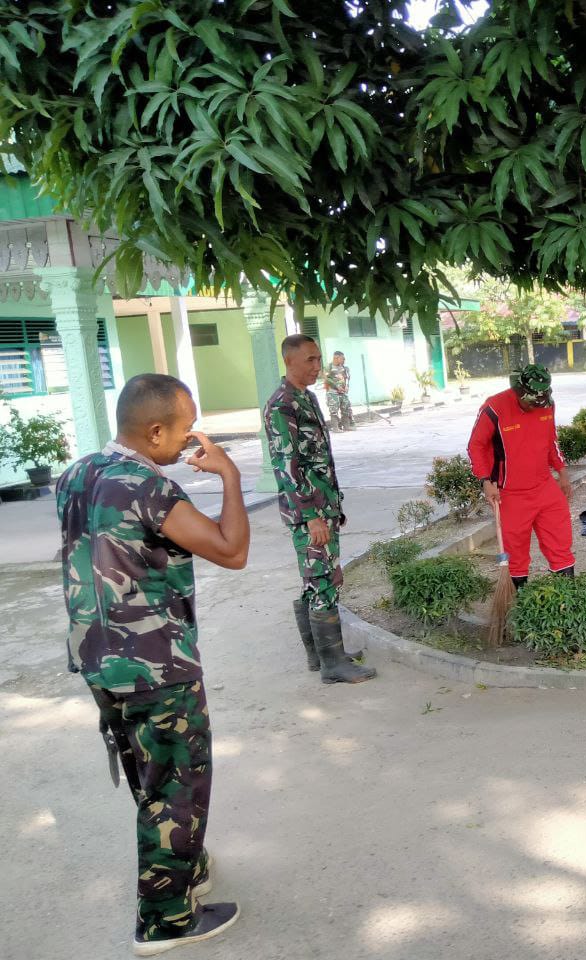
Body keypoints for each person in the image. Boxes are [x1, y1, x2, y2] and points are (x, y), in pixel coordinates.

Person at [56, 373, 250, 955]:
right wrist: (230, 477)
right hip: (155, 667)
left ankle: (183, 868)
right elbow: (232, 550)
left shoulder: (77, 475)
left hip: (97, 659)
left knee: (150, 778)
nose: (192, 439)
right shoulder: (147, 486)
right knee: (176, 785)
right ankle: (165, 920)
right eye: (186, 429)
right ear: (156, 429)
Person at [264, 334, 375, 683]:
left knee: (317, 580)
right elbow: (287, 465)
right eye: (310, 360)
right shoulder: (282, 405)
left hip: (323, 506)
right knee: (324, 580)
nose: (317, 366)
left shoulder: (306, 397)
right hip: (309, 513)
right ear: (289, 362)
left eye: (318, 359)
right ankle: (333, 665)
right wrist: (311, 516)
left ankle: (323, 655)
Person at [467, 363, 575, 588]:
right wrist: (485, 481)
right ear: (519, 391)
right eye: (530, 402)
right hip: (510, 493)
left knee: (560, 542)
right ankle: (519, 602)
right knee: (515, 554)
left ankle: (567, 599)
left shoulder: (547, 404)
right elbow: (476, 446)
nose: (535, 406)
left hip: (544, 486)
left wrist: (562, 471)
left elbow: (551, 440)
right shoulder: (494, 407)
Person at [323, 351, 355, 431]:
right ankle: (335, 427)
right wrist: (336, 386)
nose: (344, 360)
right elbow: (327, 379)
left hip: (343, 392)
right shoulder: (329, 367)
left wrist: (347, 386)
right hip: (333, 393)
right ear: (336, 358)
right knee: (334, 410)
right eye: (342, 358)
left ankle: (347, 426)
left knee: (346, 409)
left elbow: (347, 378)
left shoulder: (344, 368)